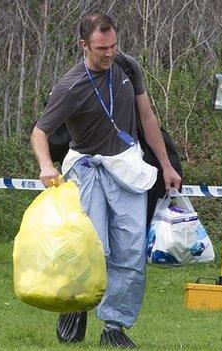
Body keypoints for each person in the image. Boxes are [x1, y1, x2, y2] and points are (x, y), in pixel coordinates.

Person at [30, 12, 181, 349]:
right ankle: (78, 306)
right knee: (94, 248)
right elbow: (40, 132)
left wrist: (167, 165)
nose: (110, 53)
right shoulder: (71, 86)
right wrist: (45, 166)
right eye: (101, 48)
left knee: (129, 249)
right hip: (88, 169)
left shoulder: (128, 67)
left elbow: (147, 117)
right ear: (84, 45)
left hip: (128, 165)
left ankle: (114, 326)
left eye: (113, 45)